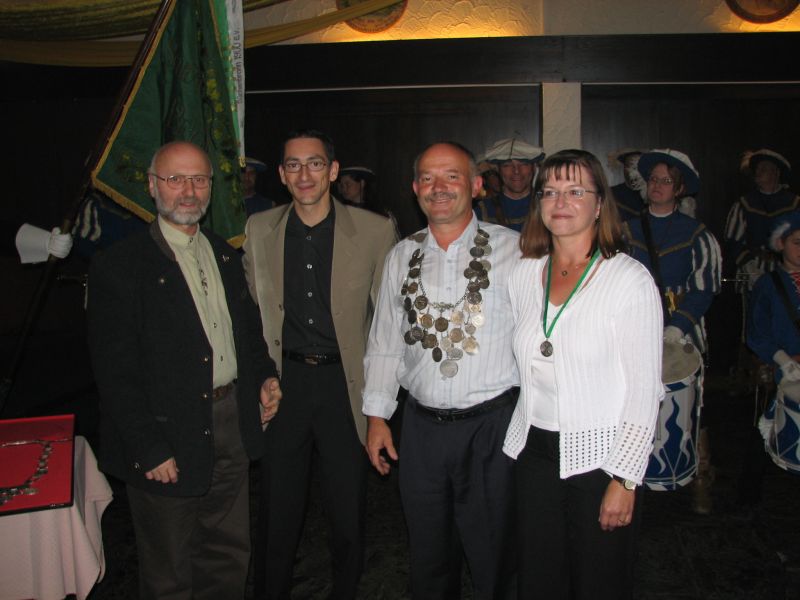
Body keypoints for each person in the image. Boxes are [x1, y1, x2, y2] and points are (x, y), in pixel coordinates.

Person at [87, 141, 282, 599]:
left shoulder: (224, 254)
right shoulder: (121, 265)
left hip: (232, 422)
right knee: (169, 569)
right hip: (166, 433)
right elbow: (114, 371)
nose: (188, 191)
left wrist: (265, 377)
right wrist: (147, 446)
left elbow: (247, 334)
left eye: (198, 179)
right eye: (175, 179)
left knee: (228, 554)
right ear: (152, 186)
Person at [363, 141, 521, 598]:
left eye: (452, 176)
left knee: (495, 555)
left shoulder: (516, 251)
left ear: (476, 185)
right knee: (428, 554)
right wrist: (376, 417)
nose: (439, 187)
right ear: (415, 189)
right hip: (422, 432)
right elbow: (385, 341)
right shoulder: (402, 256)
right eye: (428, 178)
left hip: (492, 428)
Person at [243, 130, 396, 599]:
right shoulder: (259, 229)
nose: (304, 174)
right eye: (293, 165)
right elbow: (250, 312)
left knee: (347, 510)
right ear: (282, 174)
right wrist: (260, 376)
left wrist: (380, 405)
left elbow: (387, 324)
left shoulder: (374, 231)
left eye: (314, 163)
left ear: (332, 170)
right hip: (284, 382)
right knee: (276, 510)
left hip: (343, 385)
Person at [504, 149, 662, 600]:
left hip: (601, 458)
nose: (560, 202)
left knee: (599, 581)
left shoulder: (628, 279)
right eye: (550, 191)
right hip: (533, 452)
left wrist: (625, 478)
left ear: (598, 205)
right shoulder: (524, 272)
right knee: (538, 578)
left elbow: (644, 391)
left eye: (575, 191)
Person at [623, 148, 722, 514]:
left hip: (681, 332)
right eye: (653, 179)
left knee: (685, 407)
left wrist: (677, 327)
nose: (658, 186)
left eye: (666, 181)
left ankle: (693, 477)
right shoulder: (625, 230)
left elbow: (704, 289)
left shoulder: (697, 234)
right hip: (634, 330)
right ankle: (630, 478)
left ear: (679, 189)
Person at [743, 212, 800, 494]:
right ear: (780, 244)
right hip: (780, 367)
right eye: (796, 243)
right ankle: (748, 495)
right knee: (763, 431)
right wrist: (783, 359)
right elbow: (756, 333)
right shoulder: (768, 285)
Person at [724, 149, 799, 291]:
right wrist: (751, 268)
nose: (758, 172)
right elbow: (733, 243)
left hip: (789, 273)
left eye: (764, 169)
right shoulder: (744, 204)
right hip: (751, 273)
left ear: (776, 173)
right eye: (757, 169)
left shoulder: (794, 204)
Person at [473, 137, 545, 231]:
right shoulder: (483, 210)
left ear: (534, 168)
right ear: (498, 169)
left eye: (524, 164)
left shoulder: (547, 205)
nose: (516, 171)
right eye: (507, 165)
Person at [609, 148, 646, 221]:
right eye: (628, 166)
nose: (631, 171)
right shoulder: (610, 193)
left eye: (636, 167)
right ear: (623, 168)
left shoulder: (652, 193)